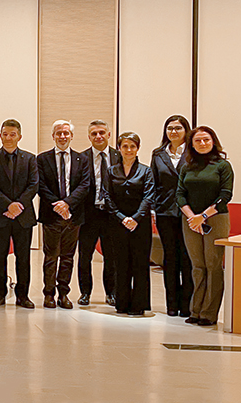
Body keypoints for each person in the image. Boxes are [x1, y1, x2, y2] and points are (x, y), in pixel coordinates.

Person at [177, 126, 234, 327]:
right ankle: (196, 310)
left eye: (206, 140)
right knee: (197, 266)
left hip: (215, 219)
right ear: (191, 144)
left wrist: (203, 216)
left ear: (213, 141)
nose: (202, 143)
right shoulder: (187, 166)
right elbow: (179, 194)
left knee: (213, 265)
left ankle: (209, 314)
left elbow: (225, 195)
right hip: (190, 220)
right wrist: (192, 216)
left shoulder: (222, 165)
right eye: (198, 140)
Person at [0, 119, 39, 309]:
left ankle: (23, 295)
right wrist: (8, 205)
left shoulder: (30, 159)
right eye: (5, 134)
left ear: (19, 137)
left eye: (12, 134)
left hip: (24, 217)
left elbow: (33, 185)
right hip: (0, 215)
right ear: (0, 135)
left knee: (23, 258)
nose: (8, 138)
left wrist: (18, 206)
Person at [36, 120, 90, 309]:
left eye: (66, 133)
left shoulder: (82, 159)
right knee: (50, 257)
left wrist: (67, 204)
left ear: (71, 136)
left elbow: (85, 185)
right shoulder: (42, 159)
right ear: (53, 136)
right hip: (51, 216)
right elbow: (40, 186)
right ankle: (48, 294)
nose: (62, 136)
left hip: (73, 216)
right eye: (58, 133)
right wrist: (58, 205)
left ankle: (64, 294)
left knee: (68, 257)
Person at [104, 132, 156, 316]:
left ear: (138, 149)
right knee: (121, 263)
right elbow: (107, 196)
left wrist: (135, 218)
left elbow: (148, 197)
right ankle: (122, 303)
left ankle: (138, 305)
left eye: (132, 146)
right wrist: (121, 217)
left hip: (139, 224)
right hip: (118, 223)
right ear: (119, 148)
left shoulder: (146, 170)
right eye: (125, 146)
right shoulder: (111, 171)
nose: (128, 150)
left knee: (140, 264)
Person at [151, 114, 194, 317]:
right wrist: (152, 208)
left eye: (178, 128)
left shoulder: (194, 152)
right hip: (165, 211)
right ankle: (171, 305)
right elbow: (154, 183)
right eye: (170, 128)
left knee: (187, 257)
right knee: (170, 257)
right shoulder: (158, 154)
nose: (173, 132)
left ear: (186, 130)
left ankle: (187, 304)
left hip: (188, 213)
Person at [77, 119, 122, 307]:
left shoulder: (119, 156)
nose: (98, 136)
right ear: (89, 137)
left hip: (111, 214)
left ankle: (111, 292)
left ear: (109, 135)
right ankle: (85, 292)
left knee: (111, 256)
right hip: (88, 214)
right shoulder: (80, 158)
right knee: (84, 255)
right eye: (94, 133)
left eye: (102, 132)